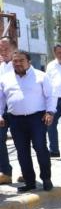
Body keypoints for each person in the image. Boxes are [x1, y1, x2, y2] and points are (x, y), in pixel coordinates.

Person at [0, 51, 55, 192]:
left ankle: (46, 179)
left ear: (29, 62)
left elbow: (50, 96)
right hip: (15, 120)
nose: (18, 63)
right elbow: (1, 100)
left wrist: (50, 112)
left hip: (37, 118)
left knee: (41, 148)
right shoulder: (5, 79)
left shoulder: (41, 76)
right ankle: (29, 181)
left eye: (21, 60)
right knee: (22, 152)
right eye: (15, 61)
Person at [0, 36, 15, 184]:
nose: (3, 51)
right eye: (1, 48)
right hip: (3, 109)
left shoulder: (20, 64)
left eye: (6, 48)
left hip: (18, 110)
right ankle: (6, 172)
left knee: (22, 142)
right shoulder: (1, 66)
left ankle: (27, 172)